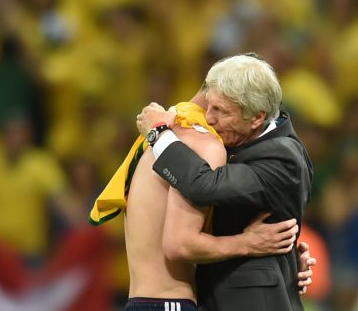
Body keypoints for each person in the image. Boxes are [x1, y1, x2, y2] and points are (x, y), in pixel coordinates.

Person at [93, 75, 314, 310]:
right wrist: (248, 243)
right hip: (170, 303)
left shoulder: (161, 137)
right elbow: (180, 243)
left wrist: (283, 263)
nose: (213, 118)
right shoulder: (201, 144)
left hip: (144, 300)